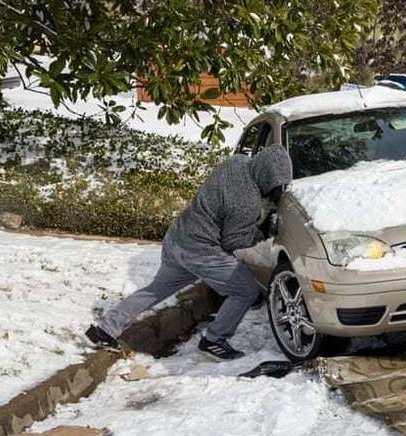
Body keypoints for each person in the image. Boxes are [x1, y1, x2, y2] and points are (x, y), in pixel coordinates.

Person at [85, 144, 293, 360]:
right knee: (245, 291)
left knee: (157, 289)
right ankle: (214, 340)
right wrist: (263, 231)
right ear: (267, 177)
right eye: (276, 186)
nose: (276, 191)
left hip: (178, 237)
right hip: (201, 250)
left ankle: (105, 329)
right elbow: (233, 241)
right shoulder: (247, 203)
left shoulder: (236, 162)